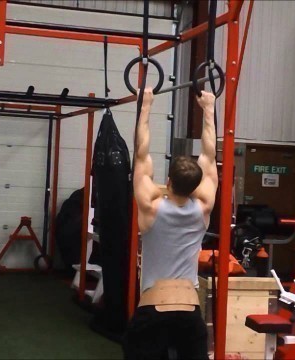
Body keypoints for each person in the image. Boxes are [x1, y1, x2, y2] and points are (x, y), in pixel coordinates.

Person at [123, 87, 218, 360]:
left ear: (167, 182)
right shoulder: (203, 208)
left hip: (153, 310)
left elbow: (141, 154)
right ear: (196, 186)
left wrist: (146, 106)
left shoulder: (150, 207)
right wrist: (209, 109)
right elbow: (210, 157)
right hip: (189, 312)